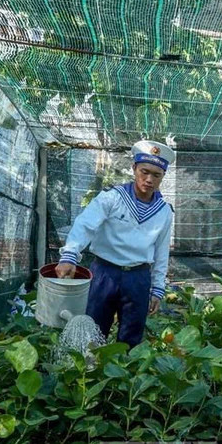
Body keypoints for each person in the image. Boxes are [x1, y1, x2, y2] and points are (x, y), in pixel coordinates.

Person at [54, 140, 175, 348]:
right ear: (134, 168)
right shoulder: (112, 198)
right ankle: (89, 367)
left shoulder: (164, 211)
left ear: (163, 176)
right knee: (93, 330)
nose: (149, 180)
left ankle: (125, 368)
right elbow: (85, 224)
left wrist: (157, 288)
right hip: (104, 273)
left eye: (156, 175)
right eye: (144, 172)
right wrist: (69, 255)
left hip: (138, 277)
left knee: (132, 335)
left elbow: (161, 251)